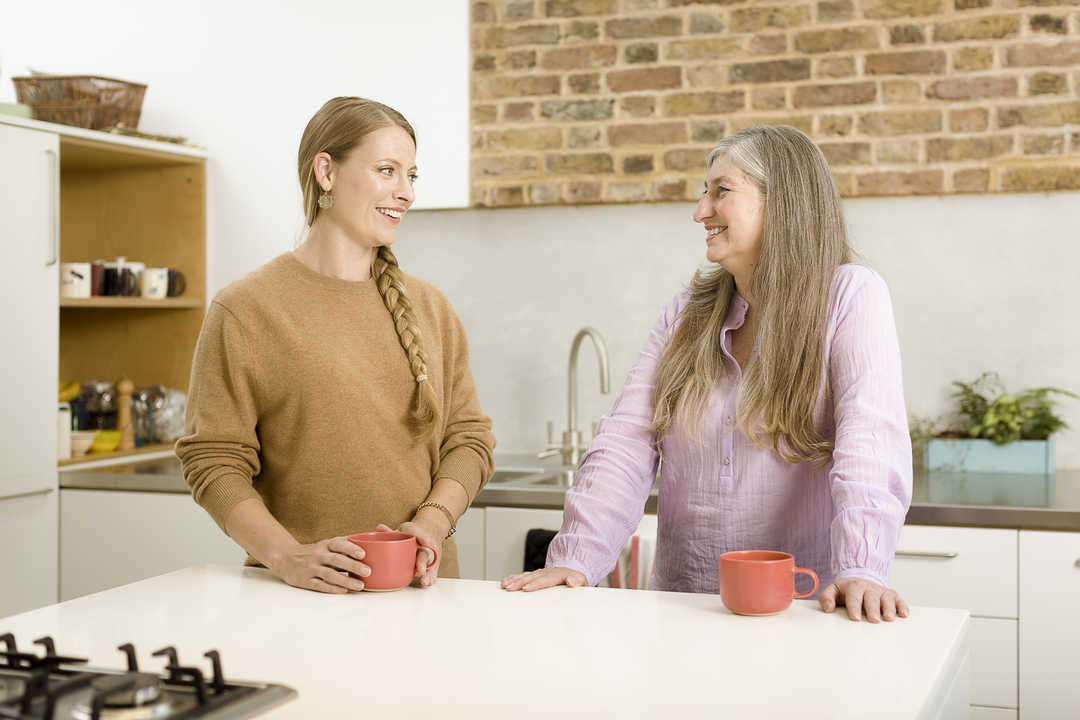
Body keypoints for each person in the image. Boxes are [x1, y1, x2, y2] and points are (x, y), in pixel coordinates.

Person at [502, 126, 913, 623]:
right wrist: (574, 559)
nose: (701, 211)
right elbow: (625, 443)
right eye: (704, 193)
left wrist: (863, 566)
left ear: (782, 202)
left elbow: (870, 440)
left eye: (721, 191)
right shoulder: (686, 315)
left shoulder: (849, 296)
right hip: (683, 607)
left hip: (805, 611)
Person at [177, 97, 495, 594]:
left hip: (424, 597)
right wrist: (287, 557)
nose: (405, 192)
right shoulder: (246, 309)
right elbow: (214, 461)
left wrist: (432, 523)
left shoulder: (431, 308)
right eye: (387, 170)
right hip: (296, 600)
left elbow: (468, 439)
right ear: (326, 171)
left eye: (412, 175)